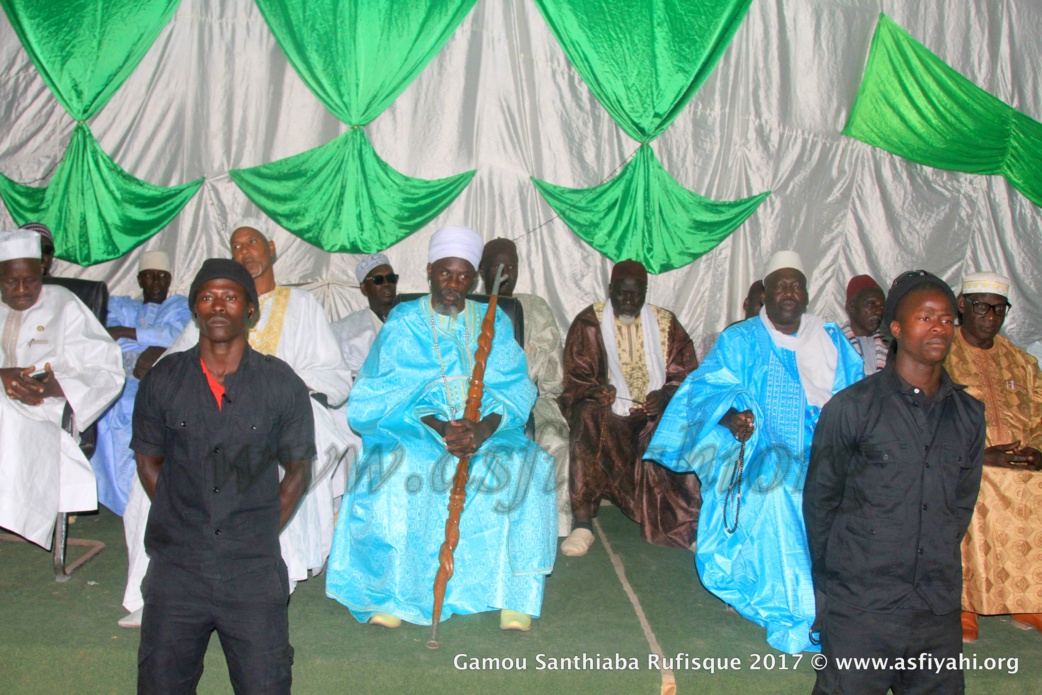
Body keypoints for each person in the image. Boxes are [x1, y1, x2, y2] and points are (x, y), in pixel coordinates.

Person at [119, 218, 352, 627]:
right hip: (206, 419)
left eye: (252, 242)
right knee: (158, 475)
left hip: (284, 414)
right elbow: (174, 369)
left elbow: (333, 375)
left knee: (269, 467)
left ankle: (265, 574)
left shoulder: (302, 305)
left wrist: (289, 394)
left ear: (272, 249)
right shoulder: (213, 309)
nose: (244, 250)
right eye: (236, 245)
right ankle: (154, 588)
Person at [326, 226, 556, 632]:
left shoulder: (494, 321)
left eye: (463, 276)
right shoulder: (404, 321)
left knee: (525, 465)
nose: (453, 285)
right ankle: (394, 594)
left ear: (473, 279)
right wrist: (440, 427)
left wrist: (483, 430)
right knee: (401, 467)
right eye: (445, 274)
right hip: (414, 424)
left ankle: (512, 594)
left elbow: (517, 386)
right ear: (430, 271)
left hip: (488, 425)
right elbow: (382, 390)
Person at [645, 250, 864, 654]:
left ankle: (853, 605)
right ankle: (797, 611)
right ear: (765, 293)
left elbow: (861, 395)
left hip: (829, 445)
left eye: (796, 285)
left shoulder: (831, 338)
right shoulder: (740, 339)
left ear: (807, 294)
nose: (788, 292)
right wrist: (729, 417)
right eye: (779, 285)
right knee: (778, 489)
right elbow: (699, 394)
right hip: (766, 446)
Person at [133, 258, 314, 694]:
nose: (218, 306)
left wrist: (256, 530)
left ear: (250, 310)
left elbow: (298, 470)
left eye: (230, 297)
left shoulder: (280, 383)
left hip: (251, 571)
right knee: (161, 683)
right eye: (207, 297)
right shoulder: (163, 379)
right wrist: (185, 521)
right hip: (177, 567)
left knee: (265, 684)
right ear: (195, 308)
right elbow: (147, 461)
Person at [805, 270, 985, 693]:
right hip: (861, 606)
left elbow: (959, 507)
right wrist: (835, 592)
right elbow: (820, 504)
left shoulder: (968, 416)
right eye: (925, 317)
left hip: (934, 610)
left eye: (946, 319)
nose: (938, 327)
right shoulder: (852, 409)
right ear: (897, 329)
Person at [558, 259, 700, 556]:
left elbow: (687, 377)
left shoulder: (666, 323)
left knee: (676, 422)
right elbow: (575, 378)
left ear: (646, 291)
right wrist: (598, 391)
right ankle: (583, 524)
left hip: (653, 417)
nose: (628, 301)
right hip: (609, 417)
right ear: (610, 289)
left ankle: (684, 527)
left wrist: (664, 395)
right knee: (587, 415)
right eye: (621, 293)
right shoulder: (589, 322)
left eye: (636, 294)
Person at [0, 229, 123, 547]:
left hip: (46, 410)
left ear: (43, 270)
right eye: (12, 282)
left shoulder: (64, 304)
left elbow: (107, 370)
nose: (24, 290)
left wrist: (58, 386)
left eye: (31, 279)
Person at [943, 271, 1042, 642]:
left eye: (1000, 310)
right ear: (963, 306)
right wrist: (979, 455)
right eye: (983, 307)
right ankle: (965, 605)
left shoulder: (1020, 361)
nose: (991, 317)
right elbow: (927, 412)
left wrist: (1038, 452)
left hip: (1020, 462)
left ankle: (1028, 600)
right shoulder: (941, 351)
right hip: (963, 461)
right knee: (978, 486)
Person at [479, 237, 572, 535]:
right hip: (478, 400)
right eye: (496, 266)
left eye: (512, 266)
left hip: (533, 399)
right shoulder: (468, 307)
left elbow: (552, 380)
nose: (505, 273)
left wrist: (529, 368)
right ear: (481, 271)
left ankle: (551, 525)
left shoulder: (535, 307)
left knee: (554, 438)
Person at [91, 251, 191, 516]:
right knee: (103, 412)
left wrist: (127, 333)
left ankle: (150, 496)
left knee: (144, 413)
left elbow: (176, 335)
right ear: (139, 279)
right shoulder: (121, 305)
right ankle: (119, 499)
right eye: (149, 276)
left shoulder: (179, 306)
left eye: (162, 277)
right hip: (116, 377)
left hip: (159, 380)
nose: (156, 283)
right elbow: (104, 334)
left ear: (169, 280)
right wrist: (150, 340)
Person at [330, 252, 397, 380]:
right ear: (364, 287)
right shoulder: (344, 330)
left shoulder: (411, 319)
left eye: (391, 278)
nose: (386, 284)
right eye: (378, 280)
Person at [696, 279, 764, 362]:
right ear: (746, 303)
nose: (766, 312)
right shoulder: (711, 342)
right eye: (762, 304)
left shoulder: (779, 346)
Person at [841, 274, 889, 374]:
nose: (879, 312)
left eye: (882, 307)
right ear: (851, 307)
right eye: (871, 304)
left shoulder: (890, 347)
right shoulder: (835, 344)